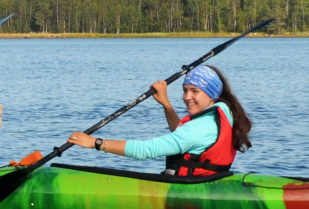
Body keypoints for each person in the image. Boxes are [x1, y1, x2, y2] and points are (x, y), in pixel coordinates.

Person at [65, 65, 251, 176]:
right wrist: (166, 104)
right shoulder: (224, 112)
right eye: (185, 90)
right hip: (210, 180)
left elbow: (147, 150)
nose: (187, 97)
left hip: (190, 187)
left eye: (195, 91)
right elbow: (182, 134)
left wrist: (96, 143)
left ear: (211, 95)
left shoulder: (201, 127)